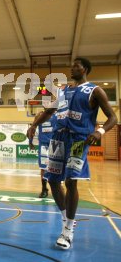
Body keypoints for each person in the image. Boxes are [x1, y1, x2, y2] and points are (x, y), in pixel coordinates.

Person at [27, 57, 117, 250]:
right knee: (51, 179)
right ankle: (66, 216)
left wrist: (99, 131)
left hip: (78, 140)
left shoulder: (95, 90)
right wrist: (34, 125)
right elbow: (48, 111)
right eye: (72, 65)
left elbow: (113, 117)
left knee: (70, 181)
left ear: (85, 69)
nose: (72, 68)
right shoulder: (63, 90)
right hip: (58, 138)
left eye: (76, 65)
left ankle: (67, 231)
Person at [29, 110, 57, 198]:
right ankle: (44, 189)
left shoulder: (58, 114)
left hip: (55, 144)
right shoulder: (39, 115)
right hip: (43, 145)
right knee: (43, 168)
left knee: (57, 168)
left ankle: (57, 189)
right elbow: (32, 129)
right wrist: (30, 141)